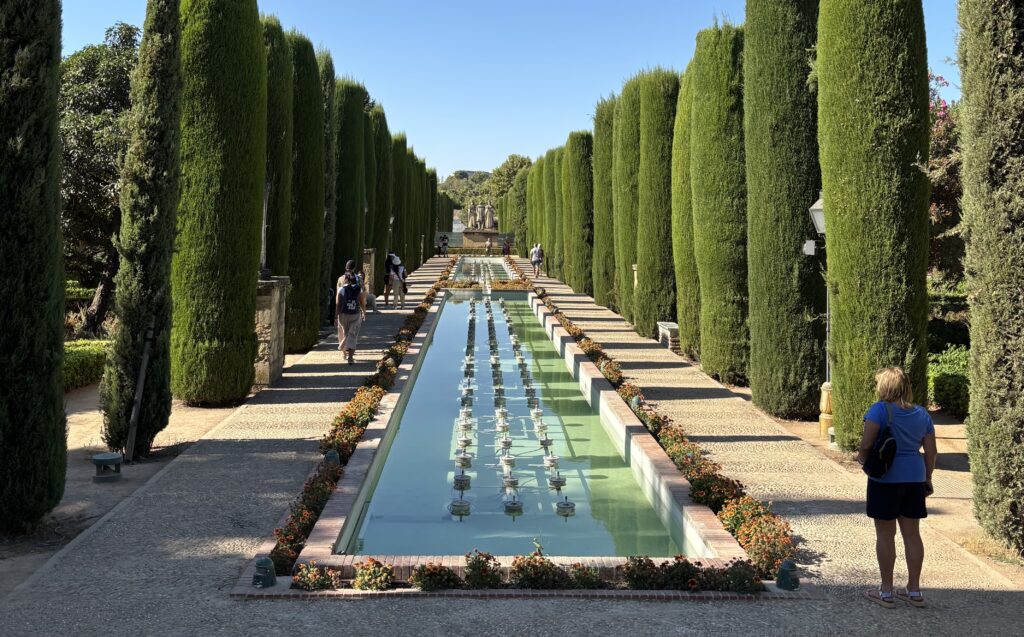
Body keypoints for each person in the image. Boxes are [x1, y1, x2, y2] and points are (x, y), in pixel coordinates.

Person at [857, 367, 937, 609]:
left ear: (884, 387)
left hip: (885, 479)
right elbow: (931, 452)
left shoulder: (879, 410)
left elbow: (866, 444)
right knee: (912, 534)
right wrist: (927, 477)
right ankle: (914, 591)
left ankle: (886, 591)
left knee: (885, 534)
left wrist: (862, 460)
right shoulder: (922, 414)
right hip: (914, 478)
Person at [335, 272, 366, 365]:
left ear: (346, 280)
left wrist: (335, 316)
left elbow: (338, 304)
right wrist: (364, 312)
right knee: (352, 335)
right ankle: (351, 358)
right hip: (355, 314)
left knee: (344, 333)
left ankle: (343, 349)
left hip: (343, 315)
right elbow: (362, 302)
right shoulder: (359, 289)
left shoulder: (341, 289)